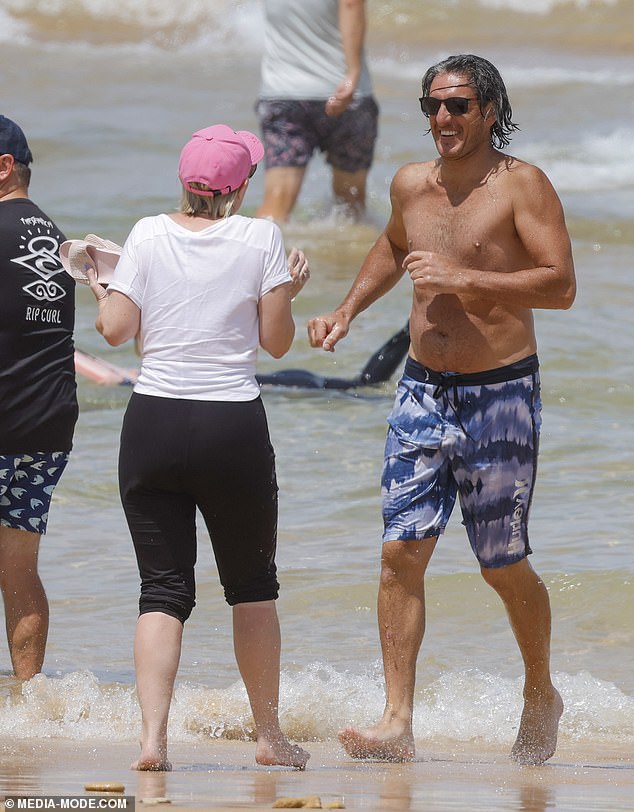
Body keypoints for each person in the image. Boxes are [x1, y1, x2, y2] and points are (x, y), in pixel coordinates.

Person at [308, 54, 576, 766]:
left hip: (501, 394)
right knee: (400, 552)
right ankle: (397, 719)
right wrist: (346, 310)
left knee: (501, 562)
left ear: (489, 109)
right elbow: (393, 248)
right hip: (420, 390)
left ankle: (540, 692)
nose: (443, 120)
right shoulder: (409, 184)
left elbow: (560, 285)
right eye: (431, 106)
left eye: (457, 106)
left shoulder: (524, 187)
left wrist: (465, 275)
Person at [85, 124, 310, 771]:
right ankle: (269, 737)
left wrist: (103, 285)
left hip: (152, 424)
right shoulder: (261, 236)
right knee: (251, 589)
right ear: (239, 188)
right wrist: (286, 293)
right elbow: (275, 343)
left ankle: (153, 741)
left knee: (161, 591)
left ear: (183, 184)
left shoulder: (147, 233)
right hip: (230, 427)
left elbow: (117, 329)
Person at [0, 115, 78, 680]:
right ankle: (27, 704)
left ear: (4, 167)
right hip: (48, 427)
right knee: (20, 568)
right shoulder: (55, 236)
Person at [255, 0, 379, 222]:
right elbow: (351, 4)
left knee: (276, 203)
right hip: (346, 94)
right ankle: (342, 257)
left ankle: (255, 255)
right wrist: (353, 73)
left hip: (283, 94)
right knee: (350, 204)